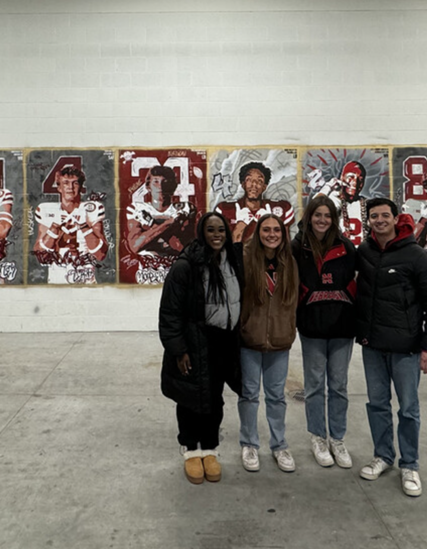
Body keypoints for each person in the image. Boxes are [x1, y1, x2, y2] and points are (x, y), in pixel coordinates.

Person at [355, 197, 427, 497]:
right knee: (377, 405)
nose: (379, 220)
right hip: (372, 346)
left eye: (385, 215)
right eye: (374, 216)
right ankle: (383, 456)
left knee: (408, 409)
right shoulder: (364, 252)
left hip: (407, 348)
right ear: (368, 221)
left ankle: (410, 464)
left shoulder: (416, 255)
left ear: (397, 219)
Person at [159, 211, 242, 485]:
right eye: (211, 230)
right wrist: (178, 350)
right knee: (190, 397)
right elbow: (170, 312)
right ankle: (190, 450)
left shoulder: (233, 260)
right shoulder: (187, 266)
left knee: (214, 397)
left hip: (224, 342)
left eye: (221, 230)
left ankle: (210, 448)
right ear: (201, 233)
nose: (217, 235)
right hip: (195, 342)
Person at [292, 196, 357, 469]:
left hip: (343, 327)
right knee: (315, 385)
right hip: (312, 328)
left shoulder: (347, 247)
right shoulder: (297, 247)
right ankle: (318, 436)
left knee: (339, 386)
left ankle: (337, 438)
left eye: (327, 215)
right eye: (317, 215)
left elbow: (356, 283)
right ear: (309, 217)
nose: (322, 220)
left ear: (334, 219)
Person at [237, 214, 299, 473]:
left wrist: (287, 329)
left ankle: (279, 445)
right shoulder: (245, 260)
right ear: (258, 232)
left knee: (276, 397)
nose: (272, 234)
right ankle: (249, 443)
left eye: (277, 230)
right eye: (266, 230)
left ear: (283, 234)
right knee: (249, 395)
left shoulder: (290, 263)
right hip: (250, 340)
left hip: (280, 341)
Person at [35, 165, 108, 284]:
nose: (70, 187)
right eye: (66, 183)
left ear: (80, 187)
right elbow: (40, 254)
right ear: (59, 187)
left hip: (85, 279)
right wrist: (53, 231)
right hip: (57, 279)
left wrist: (84, 227)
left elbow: (100, 254)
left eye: (75, 183)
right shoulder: (46, 209)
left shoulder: (92, 209)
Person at [126, 165, 196, 284]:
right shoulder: (136, 208)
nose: (160, 186)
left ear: (173, 186)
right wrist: (170, 223)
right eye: (156, 181)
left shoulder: (185, 208)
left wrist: (151, 227)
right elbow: (135, 246)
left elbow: (182, 248)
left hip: (176, 272)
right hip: (147, 274)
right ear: (148, 186)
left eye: (165, 182)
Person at [214, 162, 295, 243]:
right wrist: (241, 225)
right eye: (249, 180)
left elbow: (285, 248)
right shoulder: (225, 209)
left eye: (259, 181)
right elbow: (221, 248)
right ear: (243, 184)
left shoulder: (280, 208)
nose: (254, 184)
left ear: (264, 186)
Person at [313, 161, 367, 245]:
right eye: (351, 177)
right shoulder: (334, 199)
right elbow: (313, 209)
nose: (355, 183)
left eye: (360, 179)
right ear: (342, 177)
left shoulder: (367, 205)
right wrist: (328, 186)